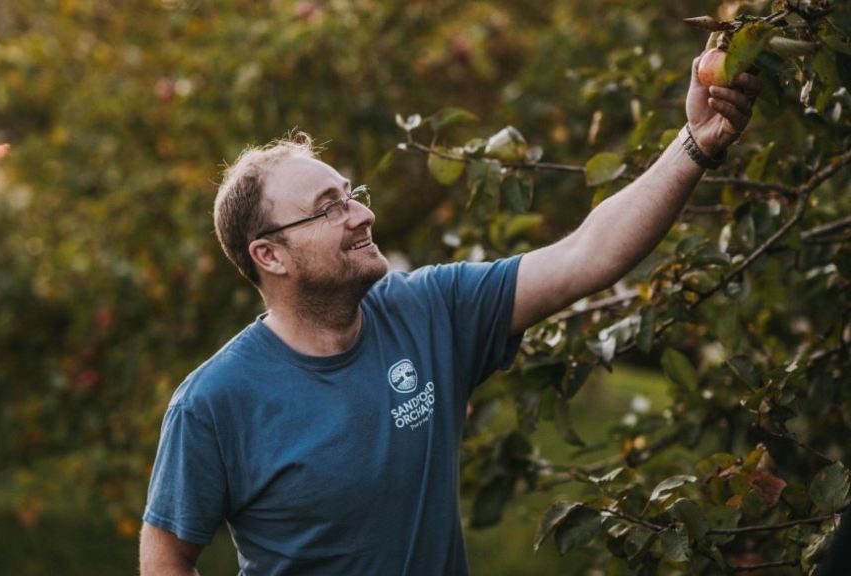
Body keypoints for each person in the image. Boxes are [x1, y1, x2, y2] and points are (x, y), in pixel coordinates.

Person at [139, 54, 760, 575]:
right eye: (328, 208)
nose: (361, 216)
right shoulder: (215, 402)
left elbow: (585, 255)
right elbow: (165, 557)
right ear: (270, 255)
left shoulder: (429, 310)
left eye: (352, 196)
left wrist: (695, 144)